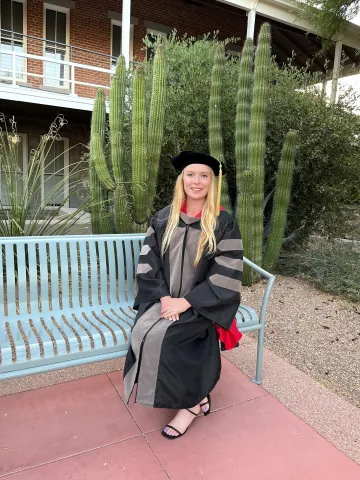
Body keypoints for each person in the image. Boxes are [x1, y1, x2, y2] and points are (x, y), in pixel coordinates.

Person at [123, 151, 243, 439]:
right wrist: (164, 298)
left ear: (212, 182)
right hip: (163, 297)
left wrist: (187, 301)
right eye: (191, 174)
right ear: (182, 179)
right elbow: (148, 262)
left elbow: (226, 271)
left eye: (204, 176)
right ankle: (197, 398)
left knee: (174, 336)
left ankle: (190, 405)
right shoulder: (164, 218)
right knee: (143, 330)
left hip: (204, 302)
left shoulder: (223, 222)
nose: (197, 181)